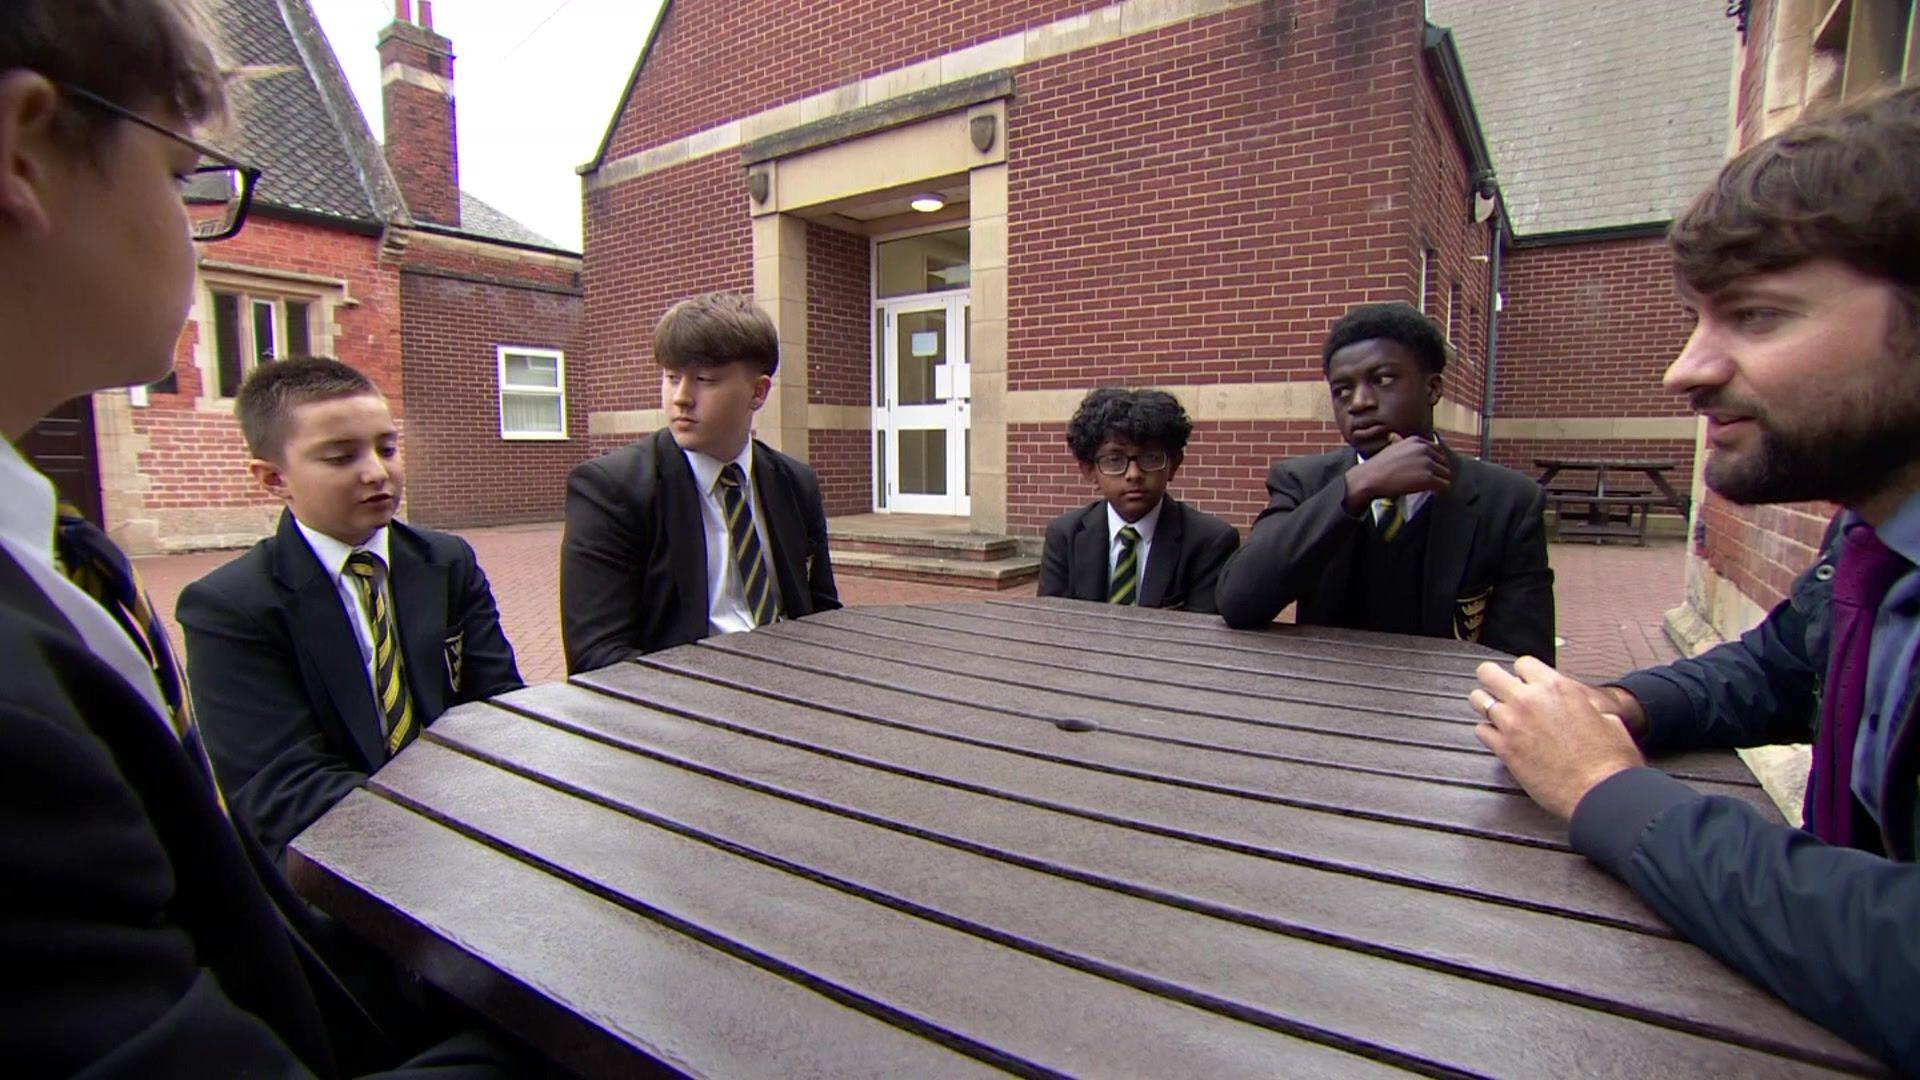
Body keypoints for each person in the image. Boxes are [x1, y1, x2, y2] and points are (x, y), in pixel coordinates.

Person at [0, 3, 515, 1070]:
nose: (198, 229)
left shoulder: (66, 564)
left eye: (387, 446)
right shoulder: (206, 610)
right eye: (184, 174)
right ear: (25, 149)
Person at [1468, 83, 1920, 1070]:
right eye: (1694, 320)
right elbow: (1779, 670)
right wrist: (1616, 703)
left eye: (1757, 317)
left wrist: (1603, 789)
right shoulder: (1878, 543)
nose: (1684, 370)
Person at [178, 357, 523, 864]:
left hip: (476, 831)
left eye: (387, 448)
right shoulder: (229, 608)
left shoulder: (446, 561)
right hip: (338, 865)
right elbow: (284, 788)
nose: (377, 472)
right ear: (274, 479)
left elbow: (497, 704)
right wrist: (436, 839)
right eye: (341, 458)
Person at [1214, 302, 1555, 660]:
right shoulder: (1303, 482)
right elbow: (1239, 599)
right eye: (1342, 390)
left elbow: (1525, 660)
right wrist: (1356, 486)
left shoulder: (1508, 501)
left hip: (1447, 705)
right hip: (1328, 701)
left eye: (1382, 380)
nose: (1359, 402)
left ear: (1433, 389)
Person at [561, 292, 838, 673]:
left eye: (704, 380)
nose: (680, 398)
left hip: (793, 688)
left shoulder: (794, 483)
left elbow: (823, 615)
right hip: (680, 706)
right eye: (672, 377)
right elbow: (597, 655)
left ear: (758, 392)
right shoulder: (611, 490)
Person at [1038, 387, 1240, 613]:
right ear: (1089, 471)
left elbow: (1200, 639)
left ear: (1174, 464)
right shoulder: (1065, 535)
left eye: (1150, 457)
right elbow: (1052, 623)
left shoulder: (1210, 541)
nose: (1133, 474)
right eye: (1114, 459)